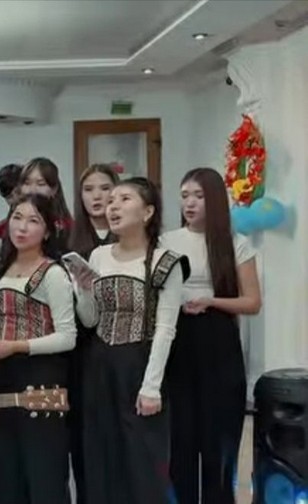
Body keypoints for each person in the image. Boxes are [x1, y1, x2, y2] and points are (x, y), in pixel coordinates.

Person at [74, 177, 189, 504]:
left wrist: (151, 387)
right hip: (99, 364)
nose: (113, 206)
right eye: (111, 200)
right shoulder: (98, 256)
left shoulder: (166, 261)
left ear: (147, 212)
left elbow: (166, 329)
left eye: (124, 199)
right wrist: (83, 289)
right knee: (101, 454)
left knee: (142, 460)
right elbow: (90, 319)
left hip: (140, 364)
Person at [162, 168, 261, 504]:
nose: (189, 203)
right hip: (177, 342)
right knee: (181, 441)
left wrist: (211, 301)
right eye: (185, 196)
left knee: (218, 442)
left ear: (215, 200)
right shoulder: (166, 242)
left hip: (219, 343)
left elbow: (252, 302)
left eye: (198, 196)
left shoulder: (235, 243)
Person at [0, 193, 76, 504]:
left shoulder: (54, 273)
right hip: (0, 376)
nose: (22, 227)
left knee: (43, 474)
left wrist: (17, 346)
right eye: (17, 218)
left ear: (46, 232)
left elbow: (67, 336)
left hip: (41, 378)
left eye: (33, 221)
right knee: (4, 474)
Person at [65, 163, 119, 504]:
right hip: (81, 350)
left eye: (104, 188)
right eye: (89, 190)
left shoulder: (129, 238)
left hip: (122, 346)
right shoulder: (69, 241)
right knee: (85, 437)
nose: (97, 196)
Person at [17, 158, 74, 252]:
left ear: (54, 189)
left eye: (40, 184)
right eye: (27, 183)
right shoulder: (11, 225)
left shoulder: (69, 228)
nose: (32, 190)